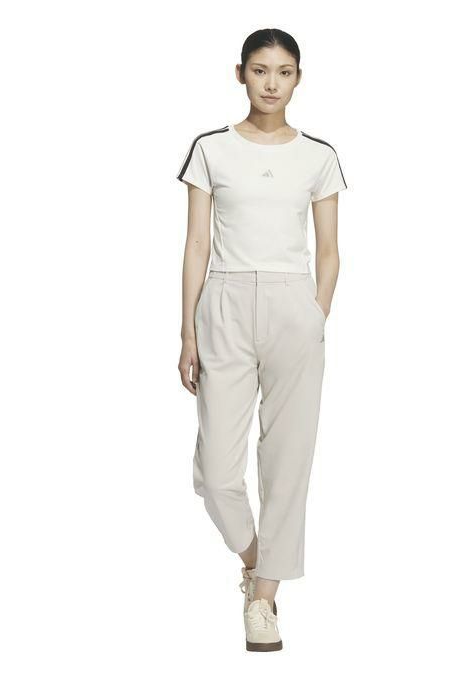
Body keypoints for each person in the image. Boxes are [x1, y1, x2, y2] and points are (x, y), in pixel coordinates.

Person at [176, 28, 347, 652]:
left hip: (293, 304)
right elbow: (197, 243)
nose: (271, 83)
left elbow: (328, 250)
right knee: (217, 473)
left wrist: (314, 313)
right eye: (260, 70)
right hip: (222, 302)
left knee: (288, 460)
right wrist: (188, 330)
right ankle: (256, 561)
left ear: (298, 78)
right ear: (240, 74)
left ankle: (264, 600)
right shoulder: (210, 149)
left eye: (284, 71)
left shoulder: (318, 156)